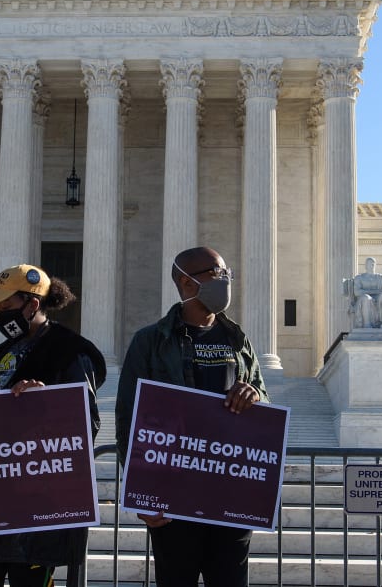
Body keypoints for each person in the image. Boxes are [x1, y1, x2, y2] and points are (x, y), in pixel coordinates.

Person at [0, 263, 107, 587]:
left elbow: (87, 421)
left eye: (5, 305)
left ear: (32, 304)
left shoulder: (69, 352)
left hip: (33, 516)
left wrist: (49, 401)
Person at [115, 246, 268, 587]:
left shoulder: (238, 340)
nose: (225, 280)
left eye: (226, 273)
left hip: (230, 491)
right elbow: (129, 415)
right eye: (216, 273)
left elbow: (262, 396)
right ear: (186, 282)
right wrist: (142, 492)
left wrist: (254, 395)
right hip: (174, 495)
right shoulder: (150, 342)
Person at [349, 256, 382, 328]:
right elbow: (357, 292)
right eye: (369, 264)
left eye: (373, 264)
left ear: (375, 265)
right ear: (365, 265)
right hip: (363, 301)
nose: (371, 266)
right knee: (366, 297)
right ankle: (367, 324)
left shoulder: (379, 277)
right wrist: (374, 291)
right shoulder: (360, 277)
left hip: (378, 300)